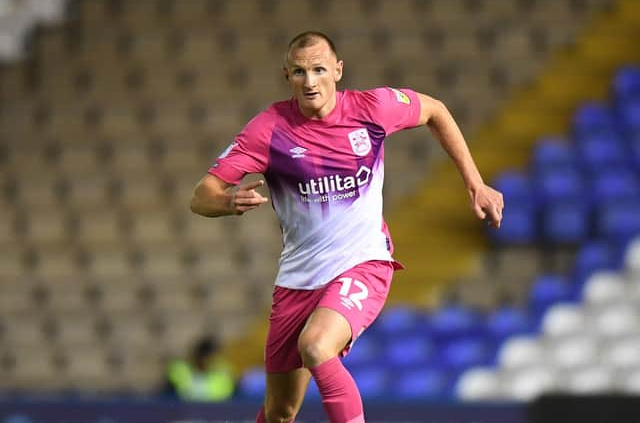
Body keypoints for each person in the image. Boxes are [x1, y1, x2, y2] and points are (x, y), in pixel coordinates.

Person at [190, 31, 503, 423]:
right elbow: (201, 196)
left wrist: (475, 183)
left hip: (363, 263)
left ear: (337, 71)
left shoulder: (373, 108)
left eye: (319, 70)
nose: (310, 81)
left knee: (317, 346)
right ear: (286, 75)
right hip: (298, 280)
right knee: (280, 412)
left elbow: (435, 110)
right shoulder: (268, 130)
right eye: (300, 72)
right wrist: (226, 202)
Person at [165, 336, 234, 402]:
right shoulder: (179, 371)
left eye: (214, 358)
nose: (210, 361)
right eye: (208, 357)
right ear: (199, 356)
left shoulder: (223, 377)